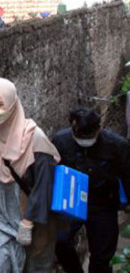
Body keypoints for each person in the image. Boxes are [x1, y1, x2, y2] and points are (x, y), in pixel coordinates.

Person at [0, 78, 60, 273]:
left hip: (28, 210)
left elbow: (44, 185)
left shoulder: (35, 138)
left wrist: (28, 221)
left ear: (12, 104)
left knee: (35, 265)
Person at [53, 107, 130, 273]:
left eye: (88, 136)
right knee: (60, 241)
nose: (84, 140)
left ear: (99, 129)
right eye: (80, 135)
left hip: (103, 203)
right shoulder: (61, 141)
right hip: (72, 202)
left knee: (102, 255)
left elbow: (127, 174)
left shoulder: (117, 145)